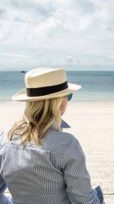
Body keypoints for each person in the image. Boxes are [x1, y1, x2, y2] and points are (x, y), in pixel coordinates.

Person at [0, 67, 104, 204]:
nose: (68, 101)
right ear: (59, 101)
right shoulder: (67, 144)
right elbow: (84, 201)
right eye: (68, 96)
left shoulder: (6, 137)